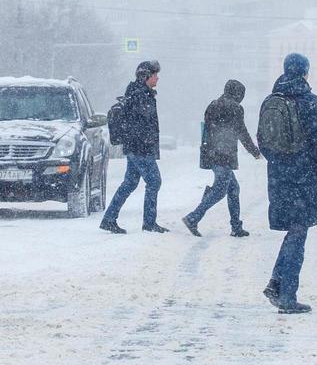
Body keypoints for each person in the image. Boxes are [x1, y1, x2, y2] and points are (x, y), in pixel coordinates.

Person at [259, 53, 317, 314]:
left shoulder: (271, 101)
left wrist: (281, 163)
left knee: (294, 231)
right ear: (305, 73)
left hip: (279, 177)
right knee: (299, 233)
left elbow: (263, 142)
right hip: (306, 179)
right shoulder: (312, 103)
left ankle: (277, 283)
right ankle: (287, 296)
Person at [182, 79, 261, 238]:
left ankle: (236, 227)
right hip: (223, 154)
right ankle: (193, 217)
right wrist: (255, 151)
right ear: (238, 94)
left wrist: (206, 150)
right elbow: (242, 132)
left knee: (233, 189)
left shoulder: (213, 104)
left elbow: (206, 129)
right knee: (220, 190)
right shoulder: (235, 108)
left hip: (211, 153)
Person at [101, 60, 166, 234]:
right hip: (140, 149)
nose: (157, 78)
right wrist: (146, 144)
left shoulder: (139, 94)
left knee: (130, 183)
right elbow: (141, 125)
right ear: (146, 76)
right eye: (155, 75)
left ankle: (109, 219)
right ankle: (149, 223)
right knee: (154, 181)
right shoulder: (140, 96)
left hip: (135, 148)